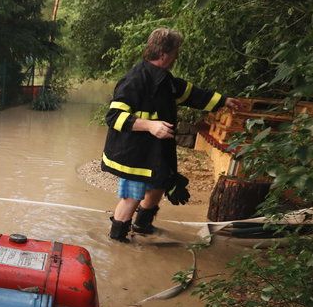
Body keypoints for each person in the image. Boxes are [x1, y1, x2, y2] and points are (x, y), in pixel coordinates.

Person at [101, 27, 242, 242]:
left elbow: (191, 93)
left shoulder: (165, 79)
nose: (177, 56)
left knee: (158, 186)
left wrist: (222, 101)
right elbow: (114, 117)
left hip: (155, 152)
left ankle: (142, 225)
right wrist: (149, 125)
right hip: (135, 154)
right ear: (165, 54)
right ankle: (117, 239)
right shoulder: (134, 80)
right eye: (176, 52)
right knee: (132, 197)